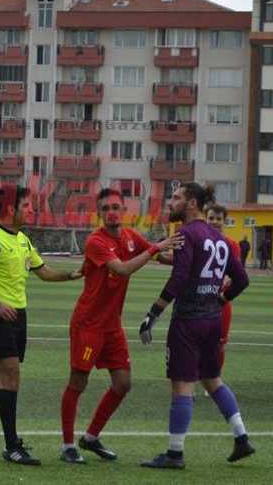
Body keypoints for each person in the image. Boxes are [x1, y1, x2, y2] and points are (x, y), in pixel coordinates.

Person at [0, 185, 83, 466]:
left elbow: (44, 272)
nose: (31, 210)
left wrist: (73, 274)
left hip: (18, 318)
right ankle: (12, 446)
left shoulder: (23, 240)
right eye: (27, 205)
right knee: (11, 377)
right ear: (11, 209)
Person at [59, 188, 181, 465]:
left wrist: (187, 252)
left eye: (116, 206)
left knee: (123, 383)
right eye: (106, 208)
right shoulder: (95, 241)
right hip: (88, 325)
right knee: (78, 381)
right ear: (100, 214)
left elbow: (163, 258)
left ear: (124, 210)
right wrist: (154, 248)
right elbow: (122, 269)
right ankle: (67, 445)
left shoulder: (129, 237)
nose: (112, 212)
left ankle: (90, 438)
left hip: (112, 326)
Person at [137, 182, 253, 470]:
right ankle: (241, 437)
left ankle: (175, 454)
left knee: (182, 386)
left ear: (191, 204)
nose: (170, 202)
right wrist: (222, 298)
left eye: (175, 198)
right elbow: (242, 280)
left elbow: (179, 278)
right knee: (213, 380)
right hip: (212, 320)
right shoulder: (221, 239)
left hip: (187, 321)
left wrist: (152, 314)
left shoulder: (186, 234)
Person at [205, 204, 242, 376]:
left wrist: (229, 278)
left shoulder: (232, 245)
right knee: (196, 341)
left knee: (220, 343)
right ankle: (193, 377)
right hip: (200, 299)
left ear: (224, 221)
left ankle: (214, 376)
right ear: (205, 219)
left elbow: (238, 274)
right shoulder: (200, 241)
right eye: (211, 218)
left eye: (218, 219)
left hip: (221, 301)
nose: (214, 222)